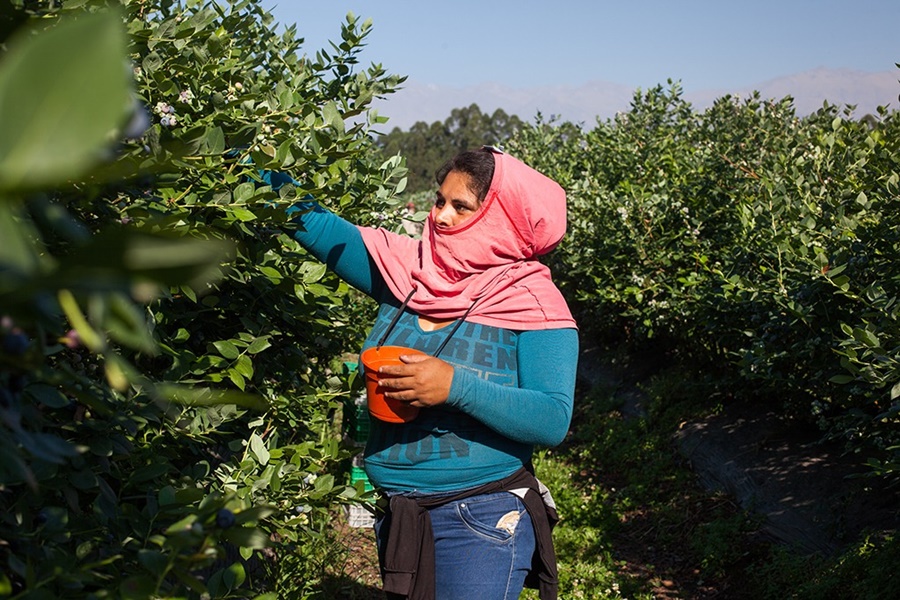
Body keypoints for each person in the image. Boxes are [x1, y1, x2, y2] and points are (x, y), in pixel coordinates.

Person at [287, 146, 578, 600]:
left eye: (461, 207)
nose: (440, 216)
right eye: (439, 200)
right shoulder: (407, 271)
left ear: (502, 217)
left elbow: (552, 419)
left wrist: (454, 386)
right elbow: (319, 227)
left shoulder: (533, 303)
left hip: (482, 519)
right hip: (401, 514)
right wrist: (237, 160)